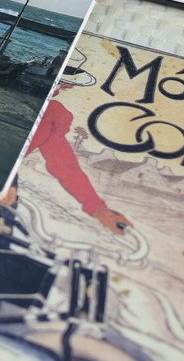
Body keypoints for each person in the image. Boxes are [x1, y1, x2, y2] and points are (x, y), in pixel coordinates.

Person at [20, 48, 132, 234]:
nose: (67, 88)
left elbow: (63, 163)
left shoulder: (56, 112)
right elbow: (63, 163)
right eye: (65, 84)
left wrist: (98, 209)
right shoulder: (54, 111)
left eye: (66, 84)